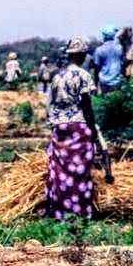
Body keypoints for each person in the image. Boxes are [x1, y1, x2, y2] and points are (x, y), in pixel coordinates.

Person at [45, 37, 110, 222]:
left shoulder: (58, 76)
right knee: (80, 170)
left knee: (60, 170)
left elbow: (51, 103)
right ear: (82, 55)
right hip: (78, 125)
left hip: (59, 126)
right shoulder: (83, 75)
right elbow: (87, 105)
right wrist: (93, 130)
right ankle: (80, 212)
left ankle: (60, 213)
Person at [93, 26, 124, 94]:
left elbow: (96, 69)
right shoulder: (119, 48)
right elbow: (123, 64)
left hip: (104, 82)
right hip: (117, 81)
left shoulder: (99, 50)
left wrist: (95, 84)